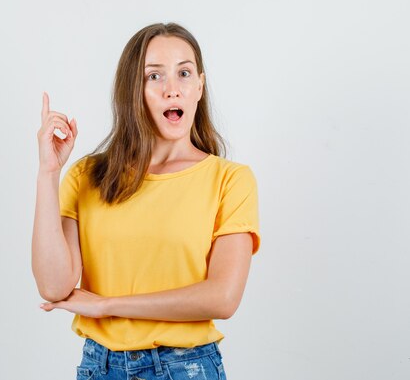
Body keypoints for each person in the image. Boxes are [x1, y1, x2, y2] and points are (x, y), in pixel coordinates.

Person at [32, 22, 261, 380]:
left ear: (199, 86)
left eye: (184, 73)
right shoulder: (87, 176)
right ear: (133, 90)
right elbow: (54, 286)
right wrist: (48, 173)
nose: (173, 89)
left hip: (183, 367)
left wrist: (108, 305)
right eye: (154, 77)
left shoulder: (229, 179)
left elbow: (223, 297)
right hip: (99, 366)